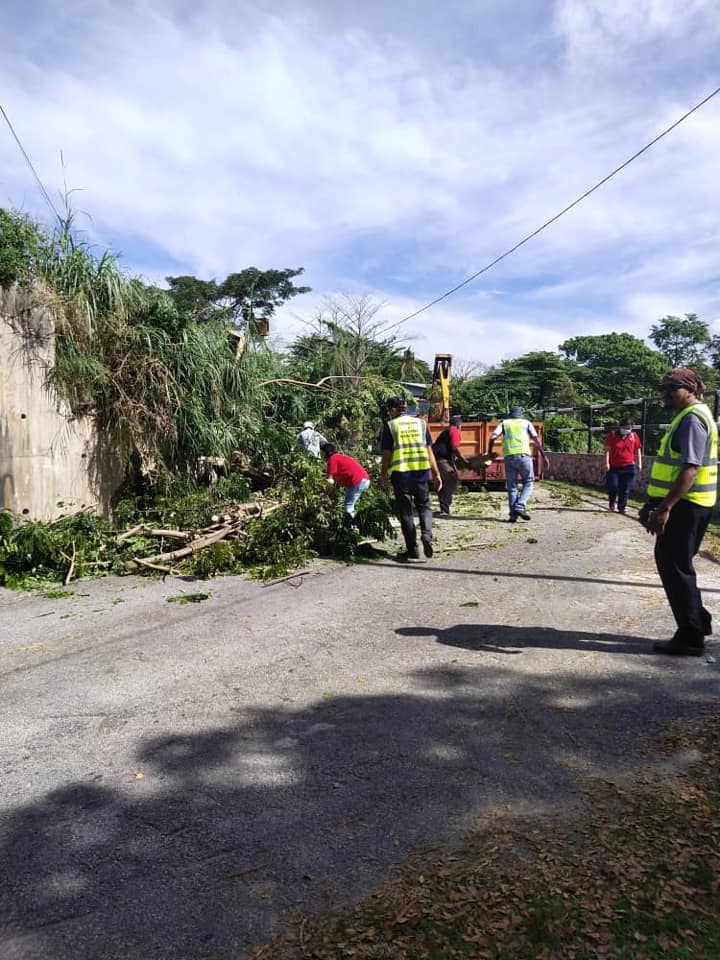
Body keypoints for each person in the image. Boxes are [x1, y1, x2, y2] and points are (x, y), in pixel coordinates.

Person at [640, 367, 717, 657]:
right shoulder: (693, 416)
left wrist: (664, 509)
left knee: (675, 567)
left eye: (672, 389)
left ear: (690, 390)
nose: (666, 395)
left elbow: (690, 469)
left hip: (686, 506)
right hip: (693, 505)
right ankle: (698, 621)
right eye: (664, 389)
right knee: (678, 565)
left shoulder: (691, 420)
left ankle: (690, 636)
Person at [380, 396, 442, 562]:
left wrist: (383, 475)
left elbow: (387, 454)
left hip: (401, 474)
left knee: (406, 512)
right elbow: (429, 451)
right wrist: (436, 474)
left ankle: (413, 550)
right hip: (421, 472)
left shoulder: (390, 425)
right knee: (424, 507)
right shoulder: (421, 423)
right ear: (406, 408)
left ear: (393, 410)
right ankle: (427, 535)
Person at [486, 405, 549, 522]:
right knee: (529, 482)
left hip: (509, 457)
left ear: (510, 415)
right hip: (524, 456)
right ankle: (520, 505)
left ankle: (513, 515)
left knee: (512, 487)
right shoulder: (526, 423)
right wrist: (544, 456)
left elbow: (492, 437)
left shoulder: (504, 423)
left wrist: (489, 452)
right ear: (521, 415)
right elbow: (536, 440)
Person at [432, 415, 470, 516]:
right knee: (452, 479)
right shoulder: (454, 430)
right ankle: (445, 506)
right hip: (441, 459)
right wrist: (463, 459)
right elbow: (454, 448)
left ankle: (444, 507)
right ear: (458, 425)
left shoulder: (448, 430)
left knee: (444, 481)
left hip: (437, 457)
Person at [320, 442, 370, 518]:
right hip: (364, 479)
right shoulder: (338, 457)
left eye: (322, 453)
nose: (321, 455)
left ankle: (350, 525)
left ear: (327, 452)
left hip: (356, 481)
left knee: (348, 505)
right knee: (353, 503)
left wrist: (324, 494)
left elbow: (329, 481)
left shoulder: (332, 459)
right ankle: (356, 521)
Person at [604, 417, 642, 514]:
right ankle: (612, 502)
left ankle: (622, 507)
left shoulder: (633, 436)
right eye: (625, 427)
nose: (627, 430)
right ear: (620, 427)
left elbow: (638, 450)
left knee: (625, 489)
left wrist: (639, 463)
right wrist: (607, 462)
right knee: (613, 486)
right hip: (614, 466)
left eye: (629, 428)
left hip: (629, 466)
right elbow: (607, 450)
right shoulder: (612, 435)